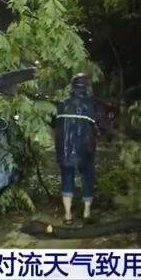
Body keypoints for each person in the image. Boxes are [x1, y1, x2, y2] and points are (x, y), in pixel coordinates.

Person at [54, 73, 97, 225]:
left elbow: (54, 126)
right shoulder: (91, 105)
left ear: (72, 87)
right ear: (86, 87)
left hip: (64, 150)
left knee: (67, 179)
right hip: (86, 151)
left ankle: (67, 216)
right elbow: (100, 126)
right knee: (87, 178)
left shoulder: (61, 104)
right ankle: (86, 213)